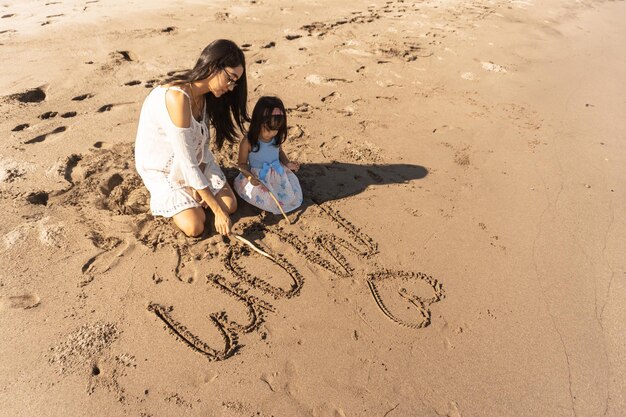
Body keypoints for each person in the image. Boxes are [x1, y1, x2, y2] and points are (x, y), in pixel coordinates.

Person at [134, 39, 249, 237]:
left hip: (194, 160)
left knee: (230, 205)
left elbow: (200, 148)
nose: (231, 87)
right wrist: (216, 211)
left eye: (235, 82)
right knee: (195, 226)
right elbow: (186, 163)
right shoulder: (177, 97)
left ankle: (195, 191)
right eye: (230, 78)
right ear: (213, 66)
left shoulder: (205, 96)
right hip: (164, 167)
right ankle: (178, 198)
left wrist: (200, 179)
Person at [233, 96, 303, 214]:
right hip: (259, 177)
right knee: (266, 198)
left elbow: (279, 152)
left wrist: (287, 163)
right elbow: (242, 164)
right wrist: (250, 177)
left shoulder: (275, 137)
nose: (272, 133)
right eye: (268, 129)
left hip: (277, 173)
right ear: (258, 122)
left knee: (289, 194)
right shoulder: (248, 142)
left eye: (276, 129)